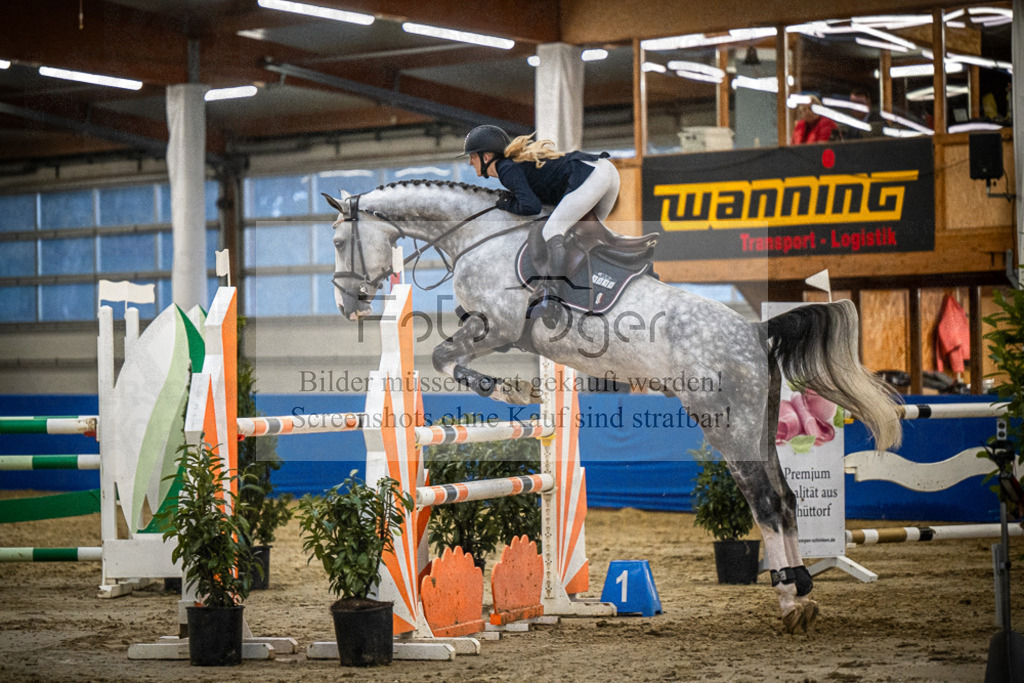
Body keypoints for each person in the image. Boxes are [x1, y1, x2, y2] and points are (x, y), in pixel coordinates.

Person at [462, 124, 620, 311]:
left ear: (485, 156)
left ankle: (551, 297)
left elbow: (531, 207)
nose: (471, 163)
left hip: (590, 174)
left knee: (553, 230)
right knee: (584, 235)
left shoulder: (506, 169)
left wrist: (505, 204)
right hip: (606, 172)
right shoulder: (512, 166)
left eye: (472, 156)